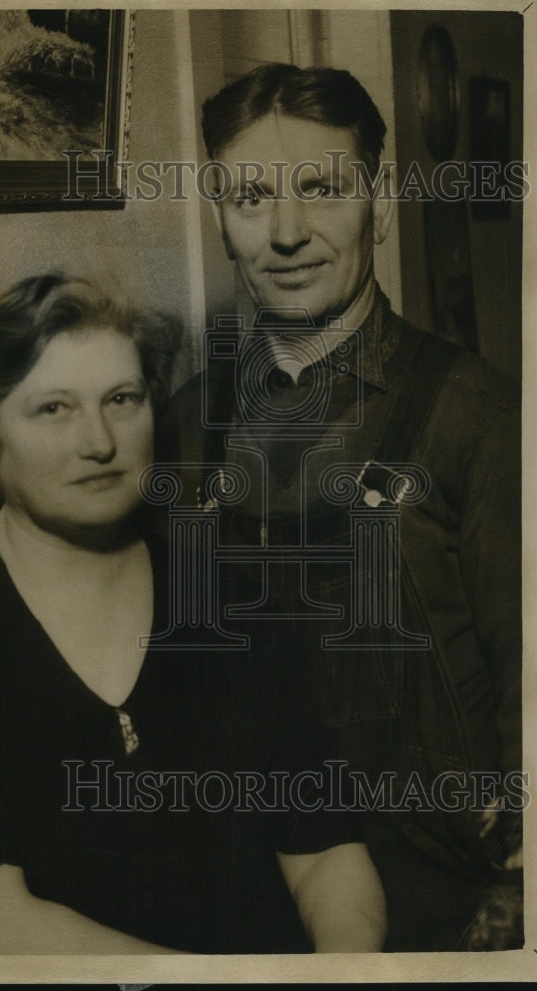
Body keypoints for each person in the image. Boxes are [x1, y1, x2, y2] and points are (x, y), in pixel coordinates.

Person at [0, 273, 387, 955]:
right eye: (53, 409)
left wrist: (342, 972)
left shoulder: (240, 603)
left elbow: (326, 852)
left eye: (121, 399)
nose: (98, 441)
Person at [157, 64, 522, 951]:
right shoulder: (182, 428)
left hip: (439, 902)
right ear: (220, 221)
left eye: (321, 190)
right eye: (250, 199)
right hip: (244, 893)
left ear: (379, 202)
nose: (287, 233)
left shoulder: (473, 412)